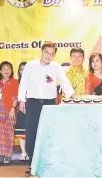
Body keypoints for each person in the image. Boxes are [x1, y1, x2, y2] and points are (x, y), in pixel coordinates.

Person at [18, 41, 76, 170]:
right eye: (46, 52)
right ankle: (33, 164)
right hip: (32, 103)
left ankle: (48, 162)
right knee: (32, 133)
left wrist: (72, 94)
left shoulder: (56, 67)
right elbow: (23, 83)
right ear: (41, 51)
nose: (48, 56)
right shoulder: (30, 65)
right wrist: (22, 99)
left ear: (54, 55)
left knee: (48, 133)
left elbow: (65, 82)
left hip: (50, 104)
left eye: (52, 54)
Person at [0, 61, 19, 164]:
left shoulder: (15, 82)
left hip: (9, 111)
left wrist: (13, 108)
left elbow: (16, 96)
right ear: (0, 71)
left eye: (9, 69)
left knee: (8, 133)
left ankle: (8, 155)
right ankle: (1, 154)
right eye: (4, 69)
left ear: (11, 71)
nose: (6, 71)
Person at [15, 62, 29, 161]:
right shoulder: (16, 82)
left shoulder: (34, 82)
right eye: (21, 69)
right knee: (22, 132)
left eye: (25, 69)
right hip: (20, 110)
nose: (23, 71)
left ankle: (31, 152)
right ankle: (23, 152)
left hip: (32, 109)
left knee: (32, 132)